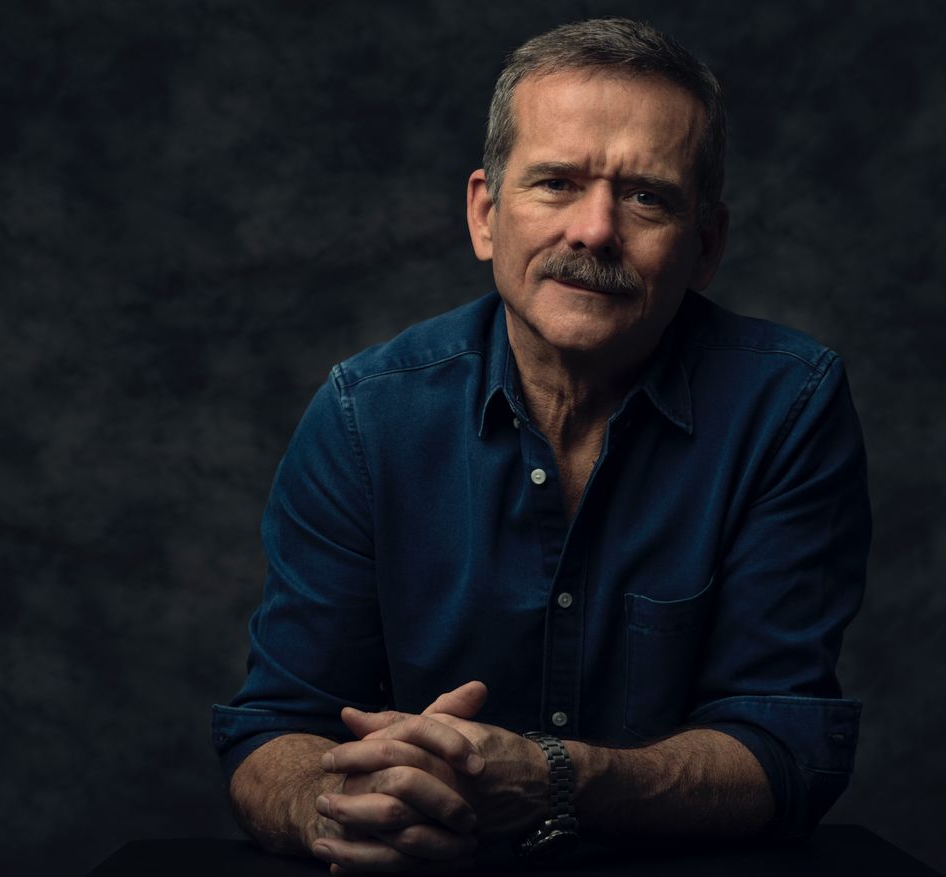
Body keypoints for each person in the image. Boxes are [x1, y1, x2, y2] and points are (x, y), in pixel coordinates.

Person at [213, 17, 870, 874]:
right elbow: (274, 727)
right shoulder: (363, 415)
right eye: (556, 183)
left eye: (646, 197)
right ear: (486, 216)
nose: (595, 231)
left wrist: (556, 778)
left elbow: (784, 749)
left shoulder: (789, 406)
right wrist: (338, 808)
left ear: (705, 245)